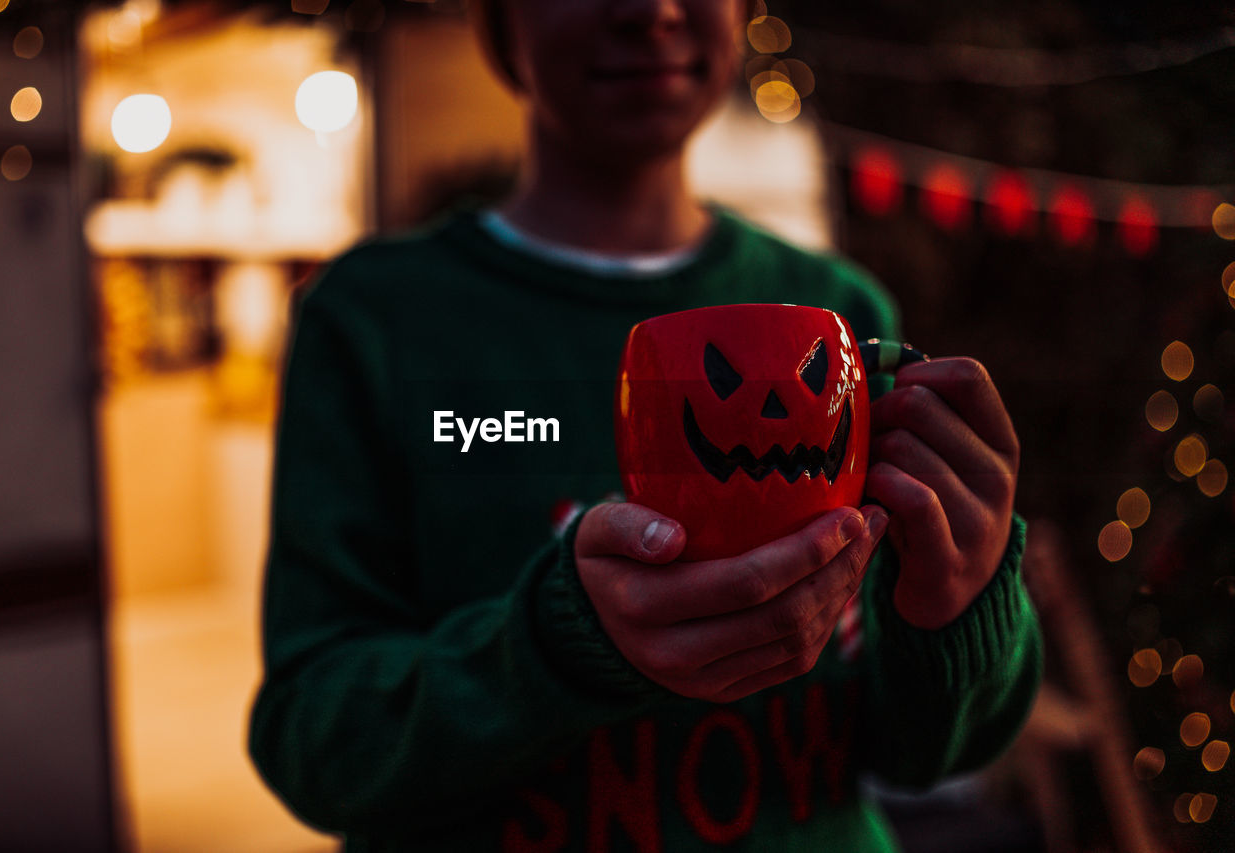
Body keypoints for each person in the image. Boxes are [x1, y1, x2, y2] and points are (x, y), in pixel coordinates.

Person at [248, 1, 1043, 850]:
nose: (651, 9)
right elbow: (316, 737)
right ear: (500, 23)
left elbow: (924, 755)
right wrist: (555, 649)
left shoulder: (838, 316)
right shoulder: (376, 321)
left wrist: (955, 606)